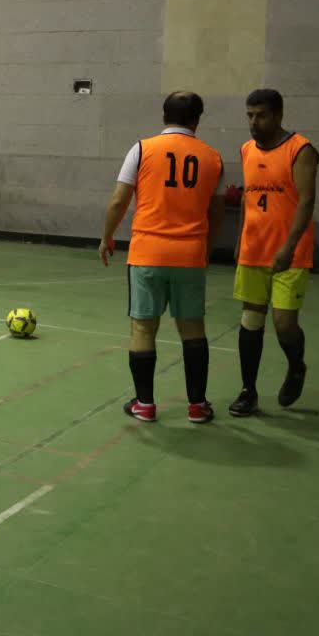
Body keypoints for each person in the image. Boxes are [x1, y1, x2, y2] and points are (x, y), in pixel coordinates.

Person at [98, 91, 224, 424]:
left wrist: (107, 236)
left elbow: (118, 201)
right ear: (197, 119)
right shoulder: (213, 158)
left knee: (143, 327)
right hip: (190, 255)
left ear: (164, 116)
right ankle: (197, 406)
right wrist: (206, 250)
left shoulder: (141, 149)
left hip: (148, 254)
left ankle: (145, 404)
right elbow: (217, 212)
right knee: (192, 328)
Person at [229, 88, 318, 416]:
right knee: (251, 320)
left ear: (278, 115)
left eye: (261, 115)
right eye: (250, 115)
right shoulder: (246, 149)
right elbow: (248, 198)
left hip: (289, 253)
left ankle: (296, 366)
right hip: (254, 249)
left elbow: (307, 201)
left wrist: (289, 246)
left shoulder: (301, 149)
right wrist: (240, 238)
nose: (254, 122)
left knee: (283, 323)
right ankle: (248, 391)